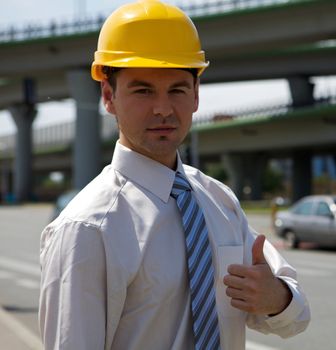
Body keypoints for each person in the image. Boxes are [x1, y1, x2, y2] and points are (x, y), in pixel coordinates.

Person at [38, 1, 310, 349]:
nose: (163, 109)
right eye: (143, 90)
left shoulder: (218, 200)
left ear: (196, 95)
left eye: (177, 90)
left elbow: (296, 318)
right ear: (109, 96)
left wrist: (275, 299)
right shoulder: (87, 228)